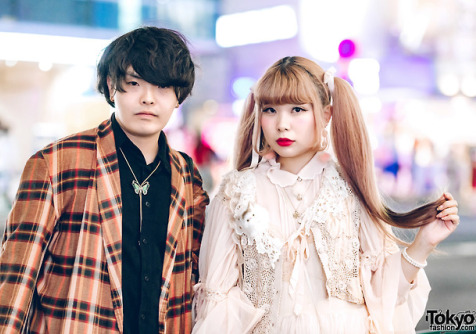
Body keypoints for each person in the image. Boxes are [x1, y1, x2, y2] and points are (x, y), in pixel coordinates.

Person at [192, 56, 459, 334]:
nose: (282, 124)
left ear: (326, 114)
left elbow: (385, 294)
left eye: (297, 109)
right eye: (270, 109)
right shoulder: (237, 192)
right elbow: (217, 300)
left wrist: (424, 243)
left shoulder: (350, 187)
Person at [0, 26, 209, 333]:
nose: (148, 98)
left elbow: (193, 273)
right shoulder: (56, 162)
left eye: (162, 87)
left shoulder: (185, 174)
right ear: (111, 85)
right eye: (134, 83)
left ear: (178, 96)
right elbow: (16, 275)